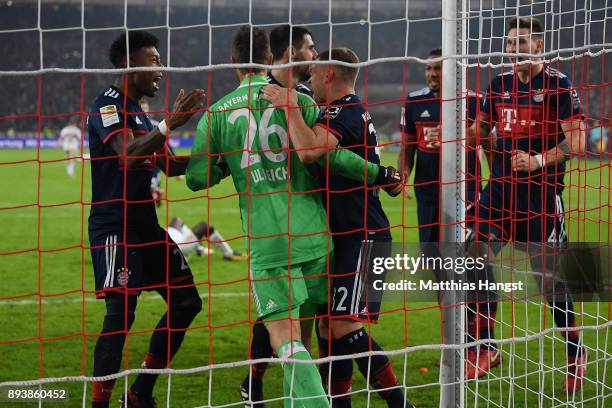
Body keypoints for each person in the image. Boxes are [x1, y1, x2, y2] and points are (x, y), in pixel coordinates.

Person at [187, 26, 400, 408]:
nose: (314, 60)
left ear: (233, 62)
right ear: (271, 59)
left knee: (290, 335)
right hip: (318, 236)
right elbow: (330, 155)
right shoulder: (302, 101)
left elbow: (196, 178)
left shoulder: (216, 114)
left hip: (271, 242)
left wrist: (227, 160)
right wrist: (380, 173)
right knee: (325, 326)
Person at [261, 48, 411, 407]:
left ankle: (400, 403)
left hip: (364, 236)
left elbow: (311, 150)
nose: (309, 80)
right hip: (345, 236)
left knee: (342, 326)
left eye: (313, 74)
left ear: (328, 74)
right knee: (329, 328)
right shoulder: (350, 110)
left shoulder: (342, 111)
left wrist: (290, 104)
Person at [466, 17, 587, 391]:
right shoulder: (499, 84)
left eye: (521, 42)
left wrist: (536, 160)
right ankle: (487, 345)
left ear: (538, 46)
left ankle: (575, 352)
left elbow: (578, 143)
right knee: (473, 256)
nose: (514, 48)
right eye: (510, 42)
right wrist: (467, 138)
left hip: (541, 198)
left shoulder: (558, 85)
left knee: (549, 284)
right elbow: (480, 131)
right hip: (500, 194)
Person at [87, 30, 205, 407]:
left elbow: (168, 166)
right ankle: (101, 403)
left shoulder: (140, 112)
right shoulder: (108, 104)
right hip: (115, 228)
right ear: (129, 64)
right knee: (120, 315)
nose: (161, 68)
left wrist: (222, 159)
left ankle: (139, 393)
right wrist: (170, 124)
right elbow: (126, 155)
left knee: (186, 302)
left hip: (145, 228)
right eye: (154, 61)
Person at [239, 23, 320, 405]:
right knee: (289, 324)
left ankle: (270, 387)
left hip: (294, 229)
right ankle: (259, 381)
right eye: (311, 48)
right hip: (292, 229)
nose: (317, 55)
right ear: (287, 53)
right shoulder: (286, 98)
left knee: (294, 325)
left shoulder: (301, 95)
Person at [398, 48, 485, 369]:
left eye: (438, 69)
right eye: (429, 69)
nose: (432, 75)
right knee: (434, 260)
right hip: (427, 195)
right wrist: (403, 178)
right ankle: (453, 333)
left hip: (466, 192)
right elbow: (408, 146)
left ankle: (475, 340)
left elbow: (485, 143)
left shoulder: (472, 100)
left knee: (468, 263)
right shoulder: (415, 100)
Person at [267, 24, 317, 97]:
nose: (316, 55)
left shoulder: (308, 95)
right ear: (292, 52)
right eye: (310, 48)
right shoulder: (257, 92)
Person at [167, 216, 247, 261]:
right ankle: (229, 254)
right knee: (204, 226)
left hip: (171, 234)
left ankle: (199, 248)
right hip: (177, 245)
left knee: (176, 219)